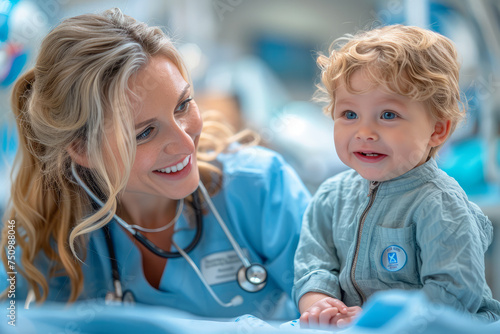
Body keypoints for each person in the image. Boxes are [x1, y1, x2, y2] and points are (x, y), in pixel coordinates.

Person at [0, 8, 311, 320]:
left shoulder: (260, 187)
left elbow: (335, 317)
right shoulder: (51, 226)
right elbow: (16, 321)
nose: (186, 144)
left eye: (183, 105)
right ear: (82, 150)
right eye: (145, 133)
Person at [293, 24, 500, 328]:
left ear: (436, 129)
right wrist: (318, 303)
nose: (364, 132)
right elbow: (314, 264)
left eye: (388, 115)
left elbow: (453, 293)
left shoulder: (440, 205)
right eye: (349, 115)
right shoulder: (330, 197)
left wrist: (376, 318)